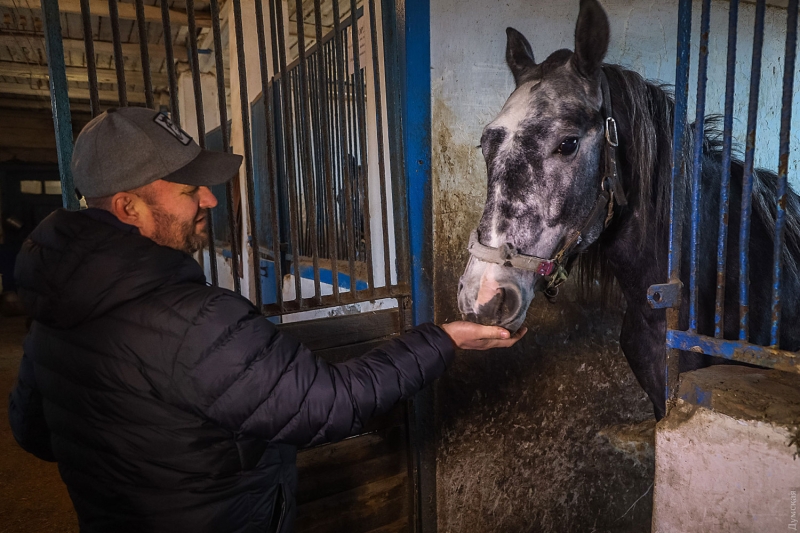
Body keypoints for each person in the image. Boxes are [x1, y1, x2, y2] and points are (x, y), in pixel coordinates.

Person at [8, 107, 525, 533]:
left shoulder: (55, 312)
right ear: (129, 207)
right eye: (188, 190)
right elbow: (330, 403)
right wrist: (443, 339)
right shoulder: (194, 320)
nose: (209, 198)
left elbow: (33, 432)